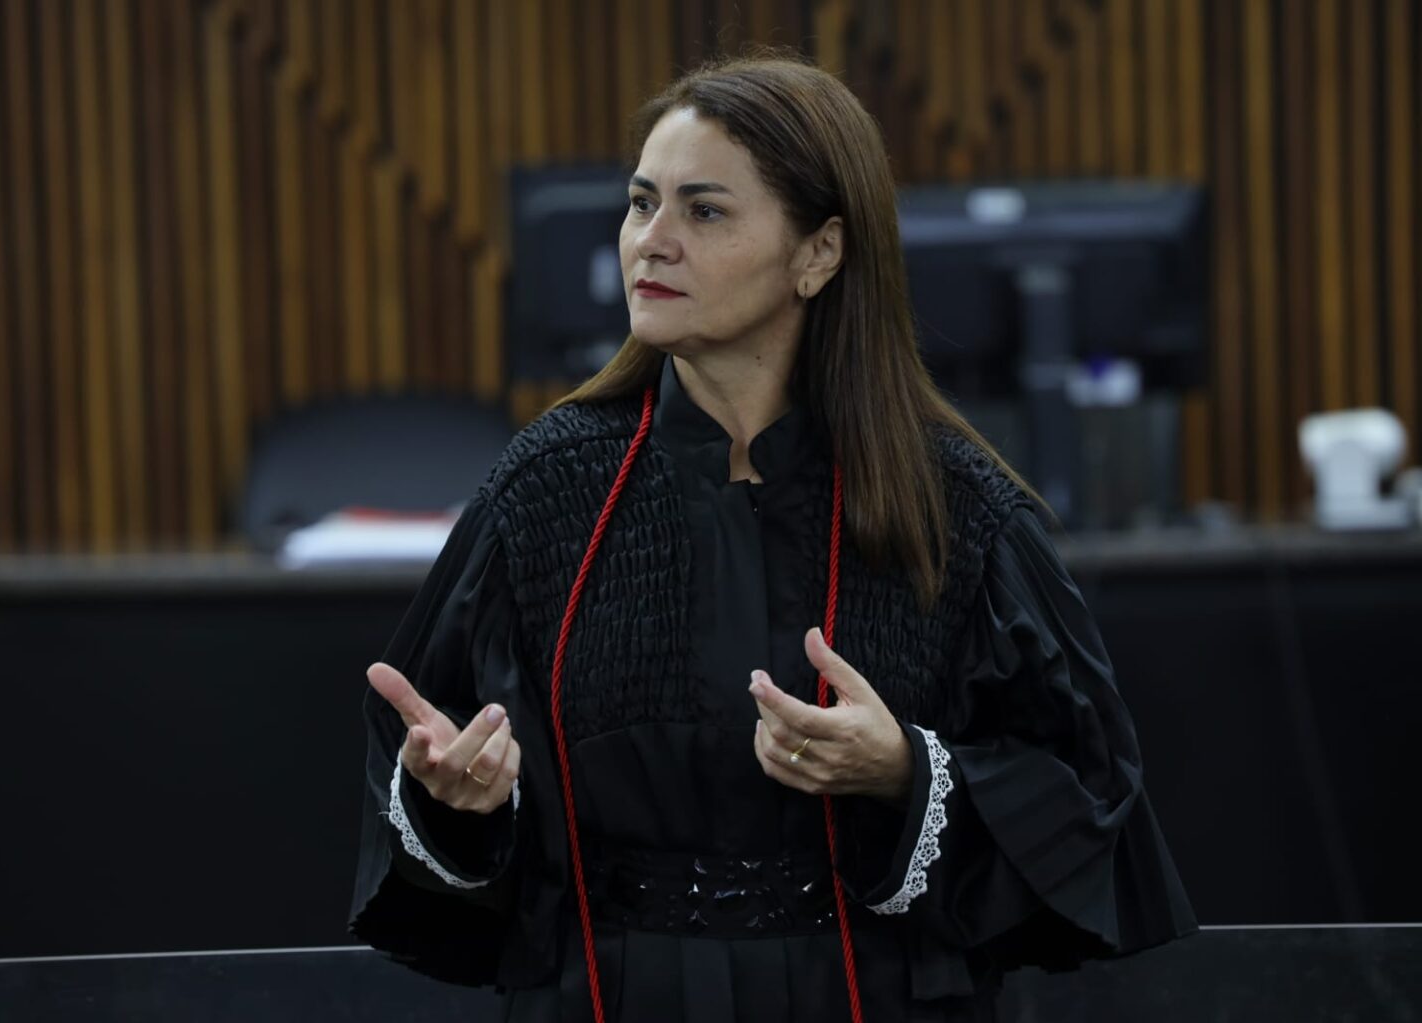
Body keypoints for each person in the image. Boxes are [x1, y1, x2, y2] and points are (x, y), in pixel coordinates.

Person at [350, 54, 1195, 1023]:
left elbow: (1088, 793)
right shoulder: (548, 485)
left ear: (819, 254)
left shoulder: (953, 502)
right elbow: (442, 762)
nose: (651, 242)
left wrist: (906, 770)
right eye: (640, 204)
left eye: (704, 211)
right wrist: (460, 798)